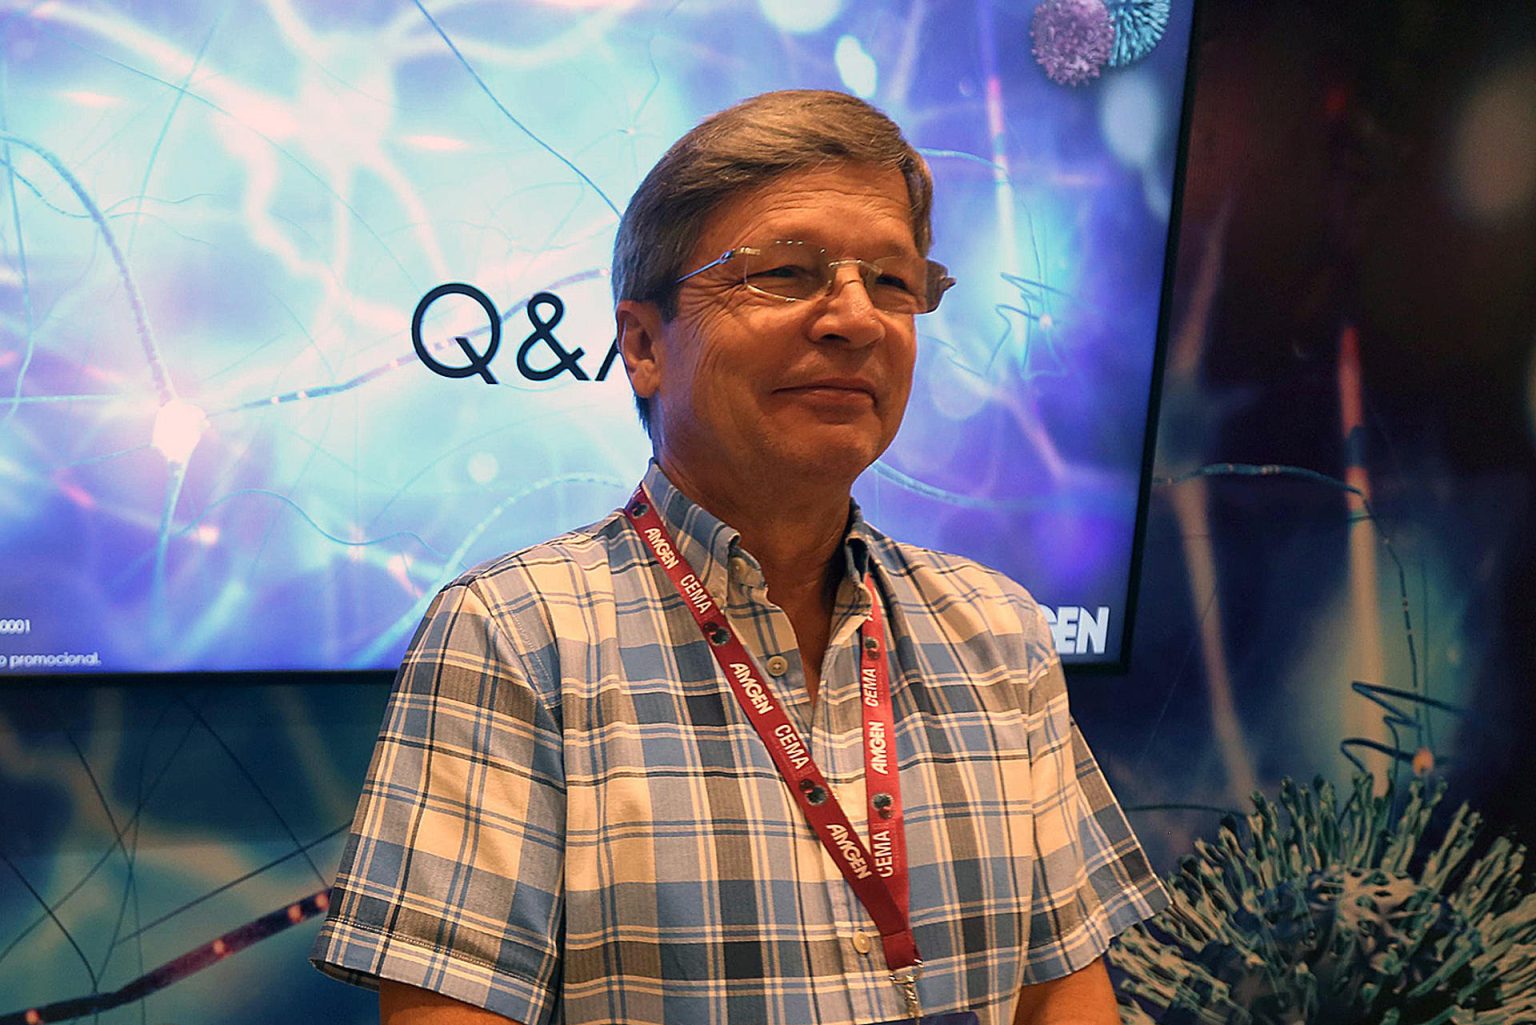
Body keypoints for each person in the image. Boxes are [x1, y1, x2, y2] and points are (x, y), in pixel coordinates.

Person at [311, 89, 1166, 1025]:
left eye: (892, 280)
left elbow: (1061, 998)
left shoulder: (998, 631)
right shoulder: (516, 636)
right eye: (789, 272)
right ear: (643, 344)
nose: (856, 318)